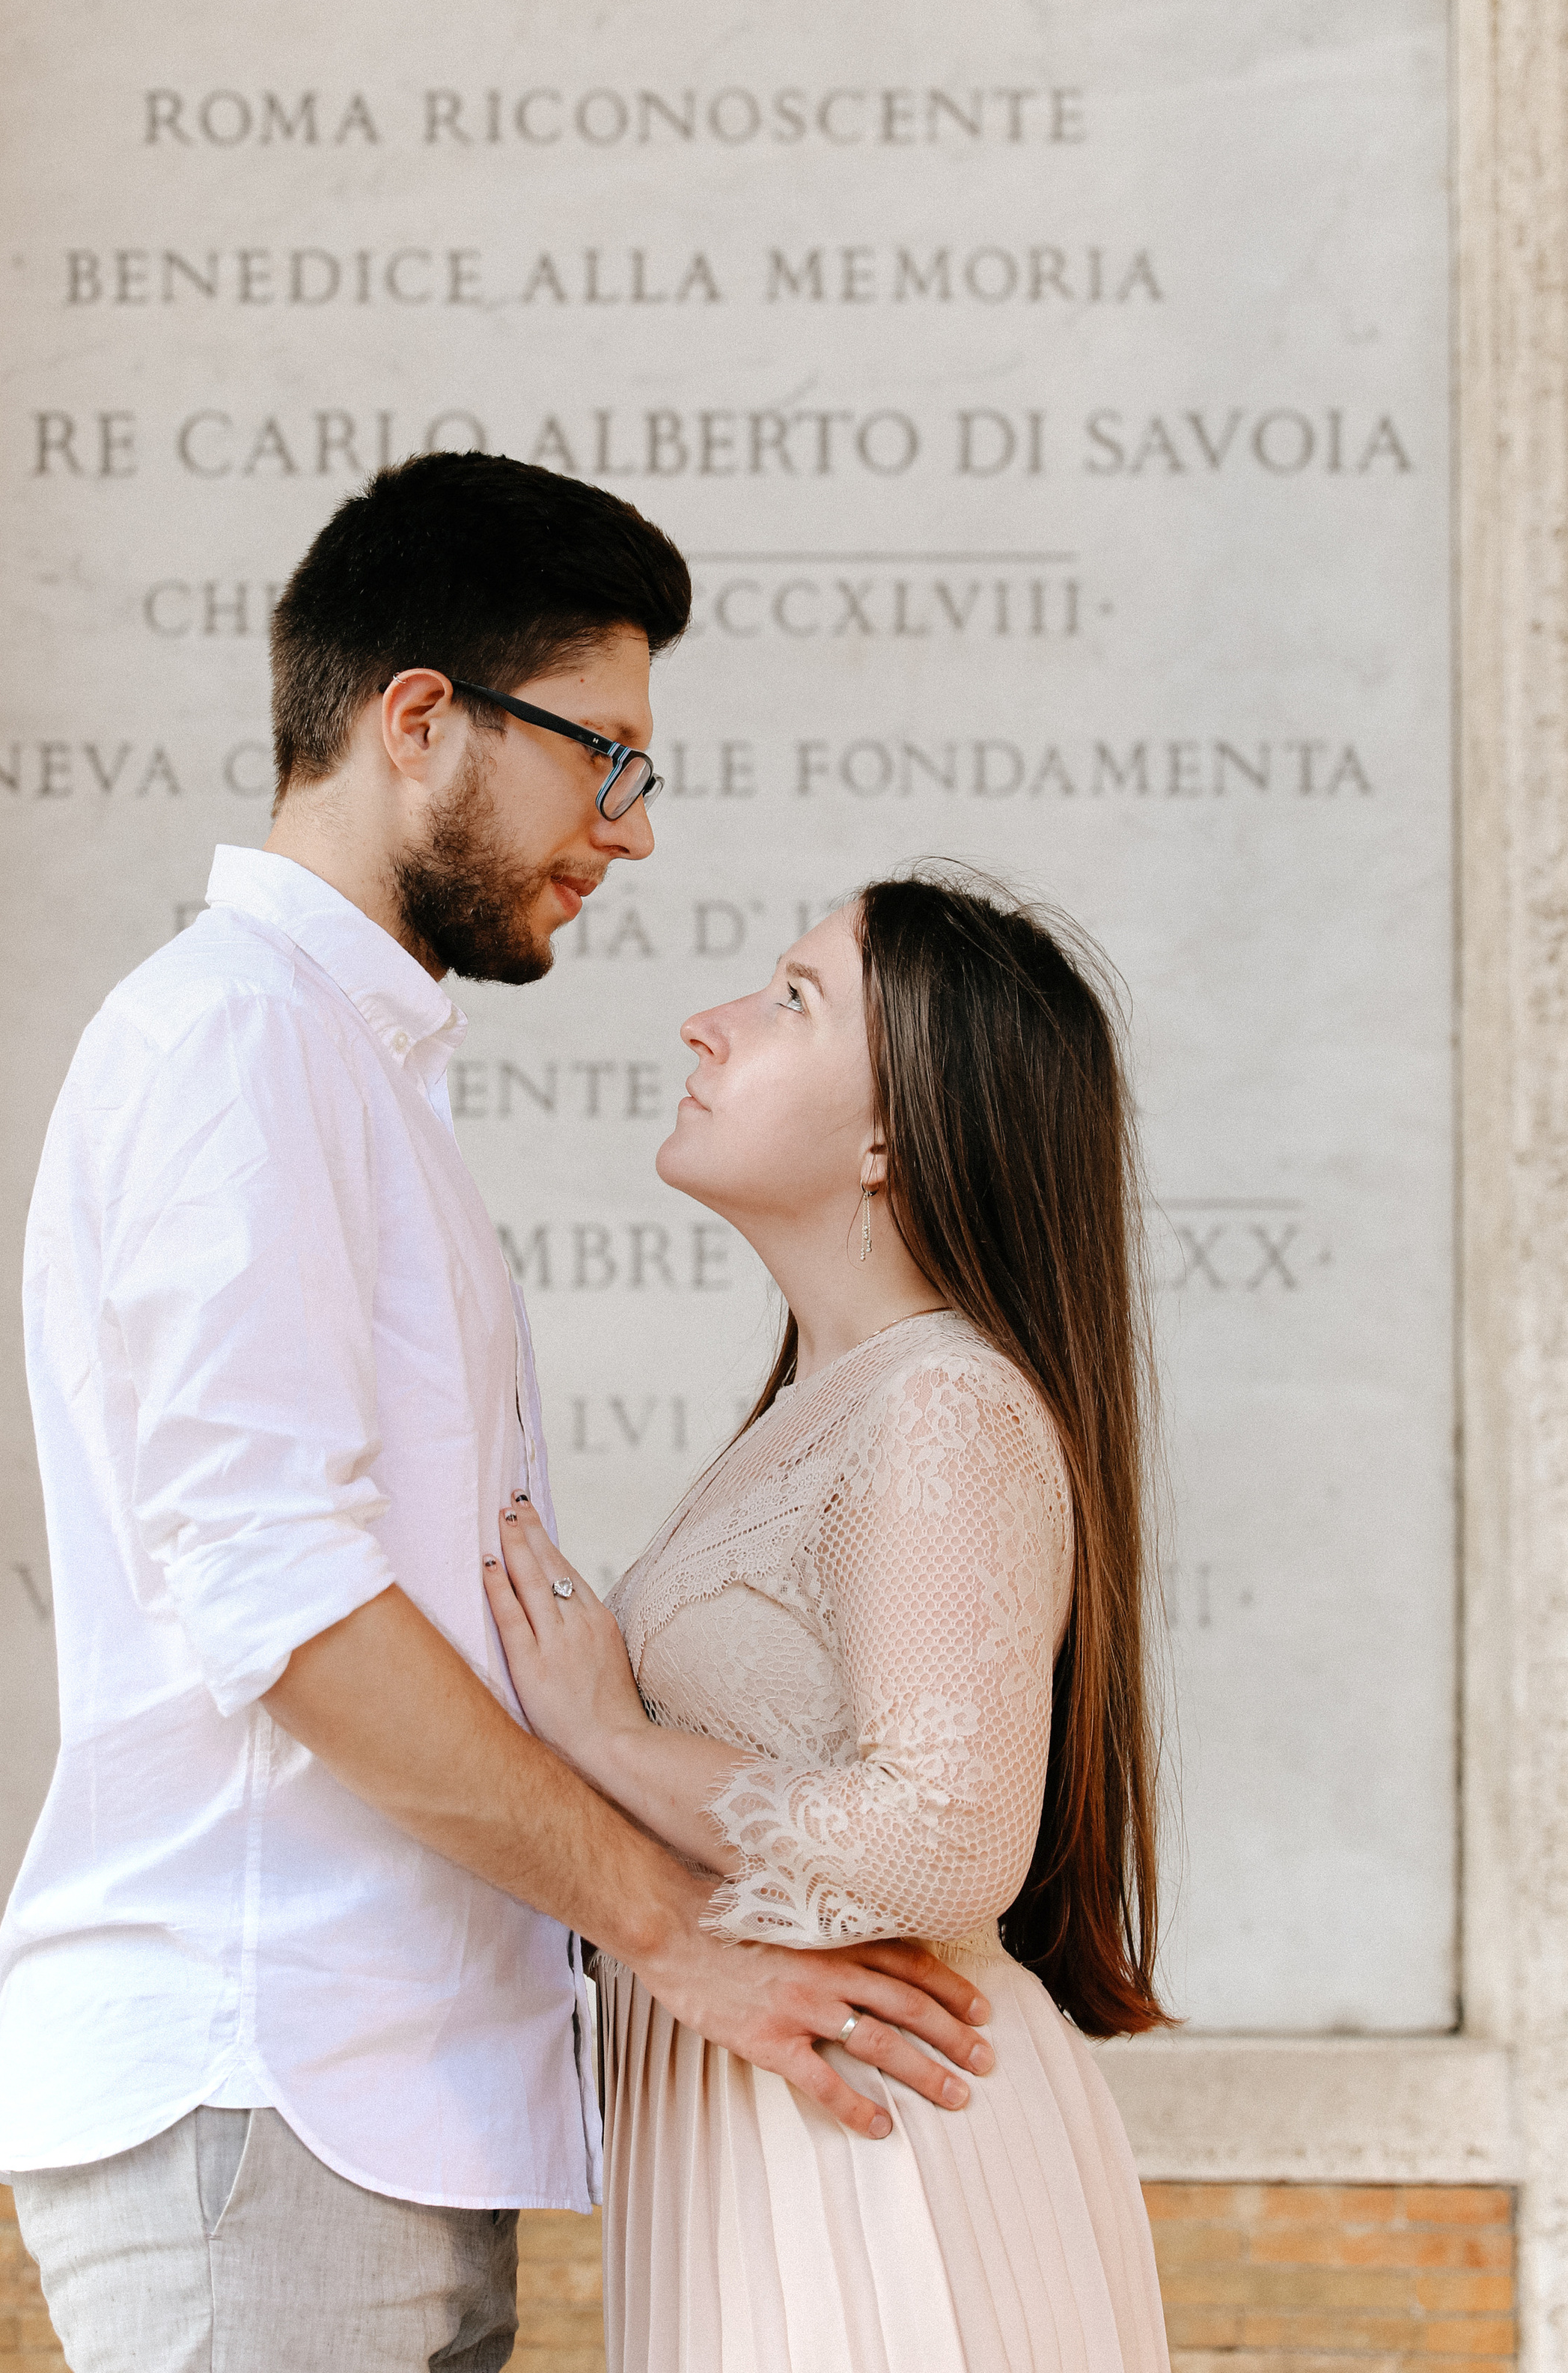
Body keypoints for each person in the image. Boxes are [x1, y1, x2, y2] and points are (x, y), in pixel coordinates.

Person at [0, 456, 992, 2373]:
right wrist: (687, 1941)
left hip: (368, 2112)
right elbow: (284, 1607)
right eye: (601, 753)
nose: (631, 830)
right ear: (419, 722)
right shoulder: (234, 1045)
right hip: (258, 2082)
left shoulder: (346, 1070)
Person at [487, 872, 1174, 2373]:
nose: (708, 1023)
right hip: (785, 2143)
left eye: (791, 998)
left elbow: (943, 1839)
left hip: (876, 2168)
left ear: (891, 1133)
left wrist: (605, 1736)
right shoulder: (829, 1407)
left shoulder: (941, 1405)